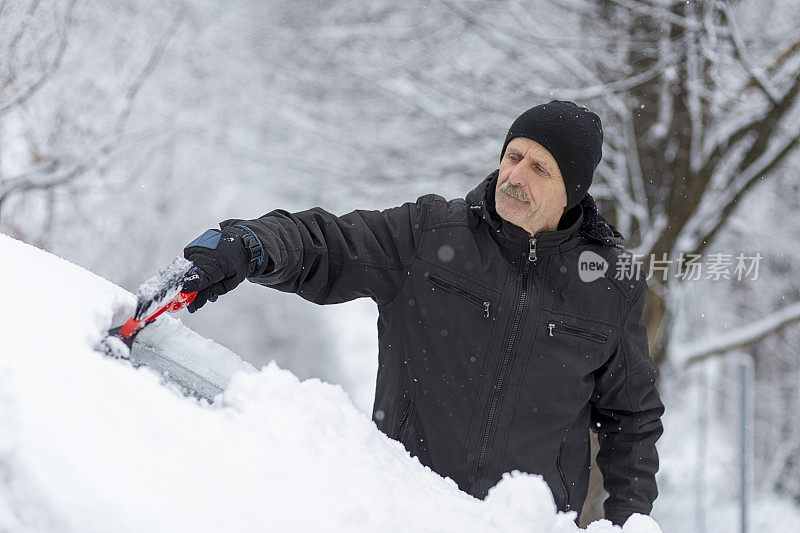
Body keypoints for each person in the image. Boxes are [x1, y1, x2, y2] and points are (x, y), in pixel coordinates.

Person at [182, 100, 664, 526]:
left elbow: (632, 418)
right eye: (513, 156)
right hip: (406, 510)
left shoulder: (608, 284)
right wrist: (254, 244)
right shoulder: (432, 236)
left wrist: (629, 523)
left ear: (572, 192)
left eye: (540, 168)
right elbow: (330, 244)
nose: (515, 176)